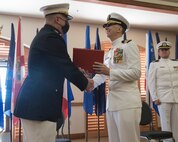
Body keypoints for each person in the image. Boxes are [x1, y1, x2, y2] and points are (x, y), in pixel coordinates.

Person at [13, 3, 93, 142]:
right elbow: (66, 66)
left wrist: (76, 71)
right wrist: (86, 83)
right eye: (66, 19)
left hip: (36, 105)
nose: (67, 23)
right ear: (58, 19)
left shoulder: (45, 36)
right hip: (39, 107)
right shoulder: (51, 38)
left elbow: (57, 66)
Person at [92, 13, 142, 142]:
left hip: (127, 102)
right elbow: (103, 74)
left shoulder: (128, 45)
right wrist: (90, 83)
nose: (106, 28)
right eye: (105, 26)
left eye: (109, 25)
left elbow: (136, 73)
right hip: (112, 103)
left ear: (120, 29)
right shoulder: (109, 51)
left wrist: (110, 72)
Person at [148, 41, 178, 142]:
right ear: (159, 52)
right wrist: (155, 97)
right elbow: (151, 82)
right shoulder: (154, 64)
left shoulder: (176, 62)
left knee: (176, 124)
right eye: (162, 50)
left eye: (166, 49)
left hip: (176, 97)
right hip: (163, 98)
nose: (164, 51)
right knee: (166, 124)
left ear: (169, 51)